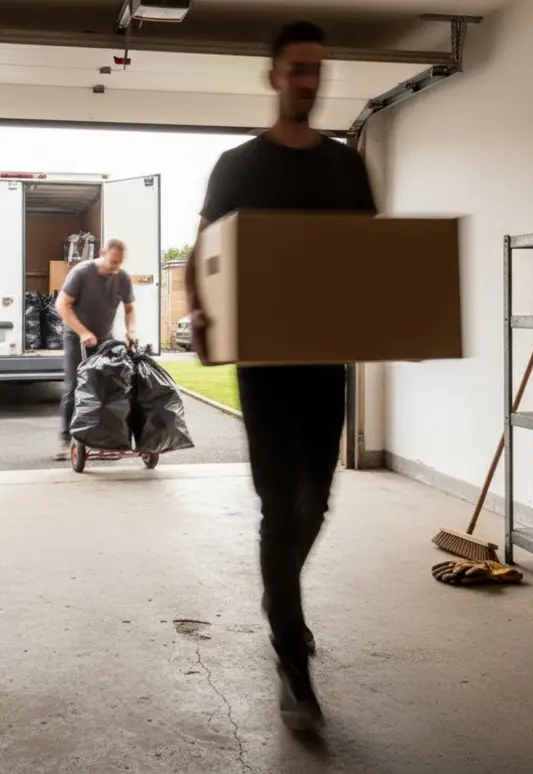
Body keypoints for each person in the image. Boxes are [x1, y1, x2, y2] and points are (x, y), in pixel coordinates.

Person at [184, 20, 377, 732]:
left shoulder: (344, 165)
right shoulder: (239, 164)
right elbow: (201, 251)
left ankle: (279, 595)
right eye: (297, 68)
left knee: (315, 504)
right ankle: (292, 659)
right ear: (273, 75)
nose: (308, 80)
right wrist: (202, 320)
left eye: (317, 69)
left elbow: (367, 256)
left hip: (326, 361)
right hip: (264, 365)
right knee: (278, 506)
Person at [56, 238, 138, 459]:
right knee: (75, 387)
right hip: (76, 337)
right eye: (113, 261)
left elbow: (130, 308)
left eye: (119, 263)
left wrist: (131, 331)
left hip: (104, 338)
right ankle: (66, 441)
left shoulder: (122, 277)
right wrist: (82, 332)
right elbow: (61, 305)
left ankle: (103, 440)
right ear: (102, 252)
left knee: (107, 390)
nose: (115, 267)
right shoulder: (81, 272)